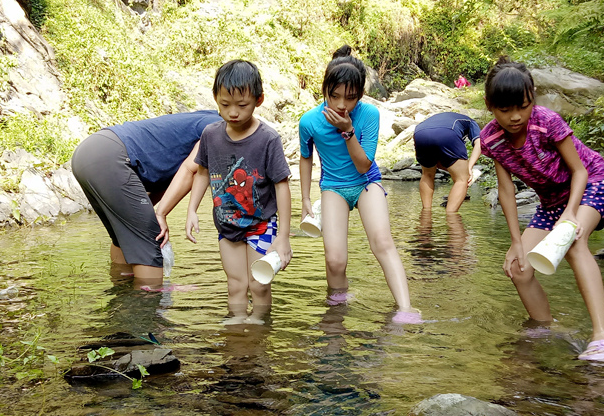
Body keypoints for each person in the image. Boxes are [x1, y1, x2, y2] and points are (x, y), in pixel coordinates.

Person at [480, 56, 604, 362]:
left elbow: (580, 171)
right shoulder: (491, 139)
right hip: (551, 202)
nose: (515, 117)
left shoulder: (546, 122)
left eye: (522, 106)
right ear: (489, 106)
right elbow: (506, 190)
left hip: (591, 184)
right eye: (505, 110)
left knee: (573, 241)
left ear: (532, 96)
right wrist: (515, 241)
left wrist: (571, 214)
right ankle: (544, 328)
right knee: (518, 268)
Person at [298, 45, 415, 320]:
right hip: (333, 188)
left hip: (366, 183)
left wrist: (348, 130)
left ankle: (406, 310)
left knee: (382, 243)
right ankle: (337, 312)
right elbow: (305, 158)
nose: (341, 105)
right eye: (334, 96)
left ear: (360, 95)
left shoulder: (369, 115)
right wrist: (304, 198)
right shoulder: (309, 121)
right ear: (324, 89)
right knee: (335, 259)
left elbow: (365, 164)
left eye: (350, 98)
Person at [185, 60, 292, 321]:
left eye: (242, 105)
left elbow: (282, 185)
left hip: (261, 225)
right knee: (235, 284)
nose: (233, 112)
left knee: (259, 284)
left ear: (259, 100)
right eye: (225, 104)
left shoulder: (268, 139)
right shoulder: (210, 134)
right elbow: (202, 172)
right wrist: (191, 210)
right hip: (228, 226)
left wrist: (284, 237)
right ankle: (235, 334)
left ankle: (258, 331)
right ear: (215, 99)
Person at [71, 110, 222, 283]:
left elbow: (169, 181)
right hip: (111, 157)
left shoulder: (201, 120)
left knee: (124, 236)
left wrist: (147, 215)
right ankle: (146, 303)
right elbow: (190, 170)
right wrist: (160, 214)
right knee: (151, 241)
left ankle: (122, 293)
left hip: (89, 152)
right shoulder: (217, 128)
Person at [414, 111, 482, 212]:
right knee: (462, 179)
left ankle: (426, 214)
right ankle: (451, 218)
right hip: (448, 132)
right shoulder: (471, 122)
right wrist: (469, 168)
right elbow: (479, 143)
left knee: (427, 175)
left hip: (420, 132)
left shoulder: (442, 118)